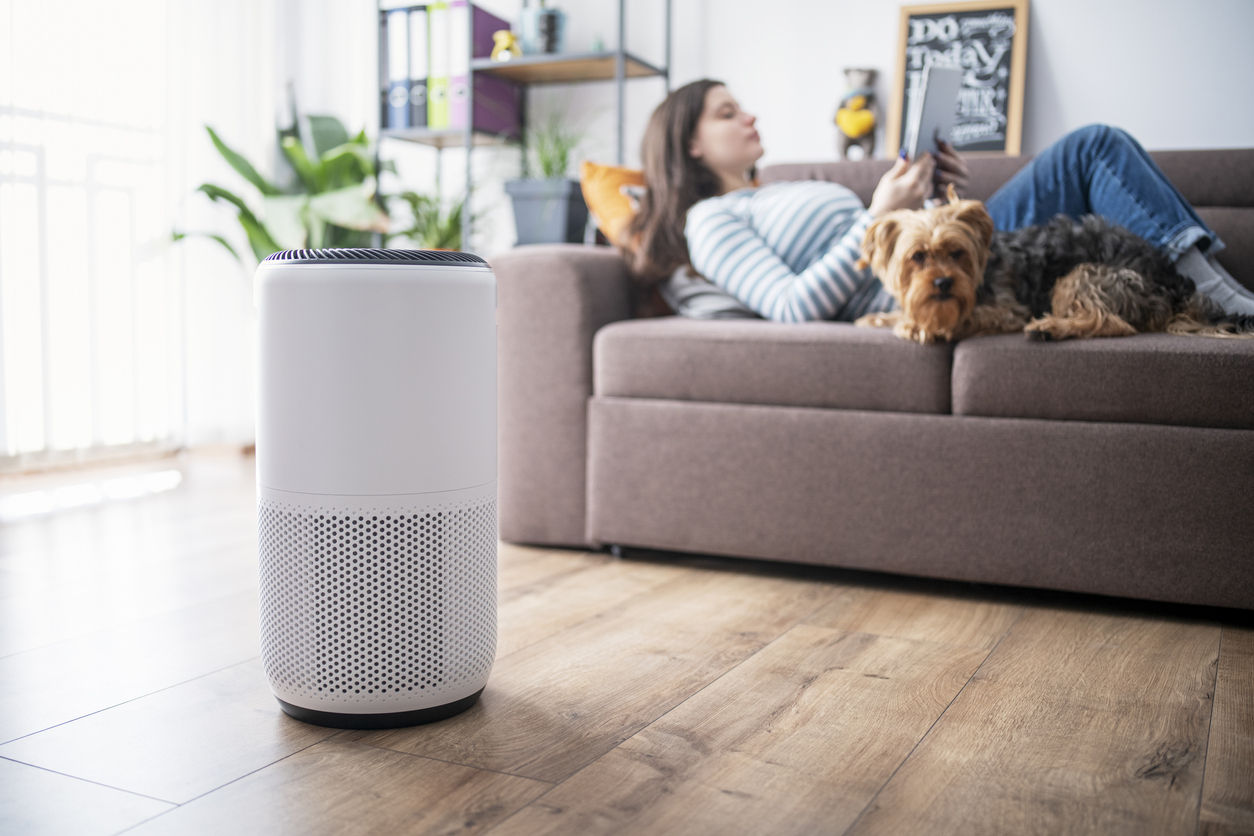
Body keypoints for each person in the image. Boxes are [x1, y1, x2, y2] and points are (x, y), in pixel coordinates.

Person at [623, 79, 1254, 322]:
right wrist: (876, 214)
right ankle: (1224, 305)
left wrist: (931, 192)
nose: (749, 115)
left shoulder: (777, 188)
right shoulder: (712, 220)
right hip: (905, 288)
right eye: (728, 112)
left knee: (1095, 146)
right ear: (691, 145)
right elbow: (789, 307)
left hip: (951, 248)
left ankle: (1212, 293)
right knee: (1092, 145)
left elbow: (912, 238)